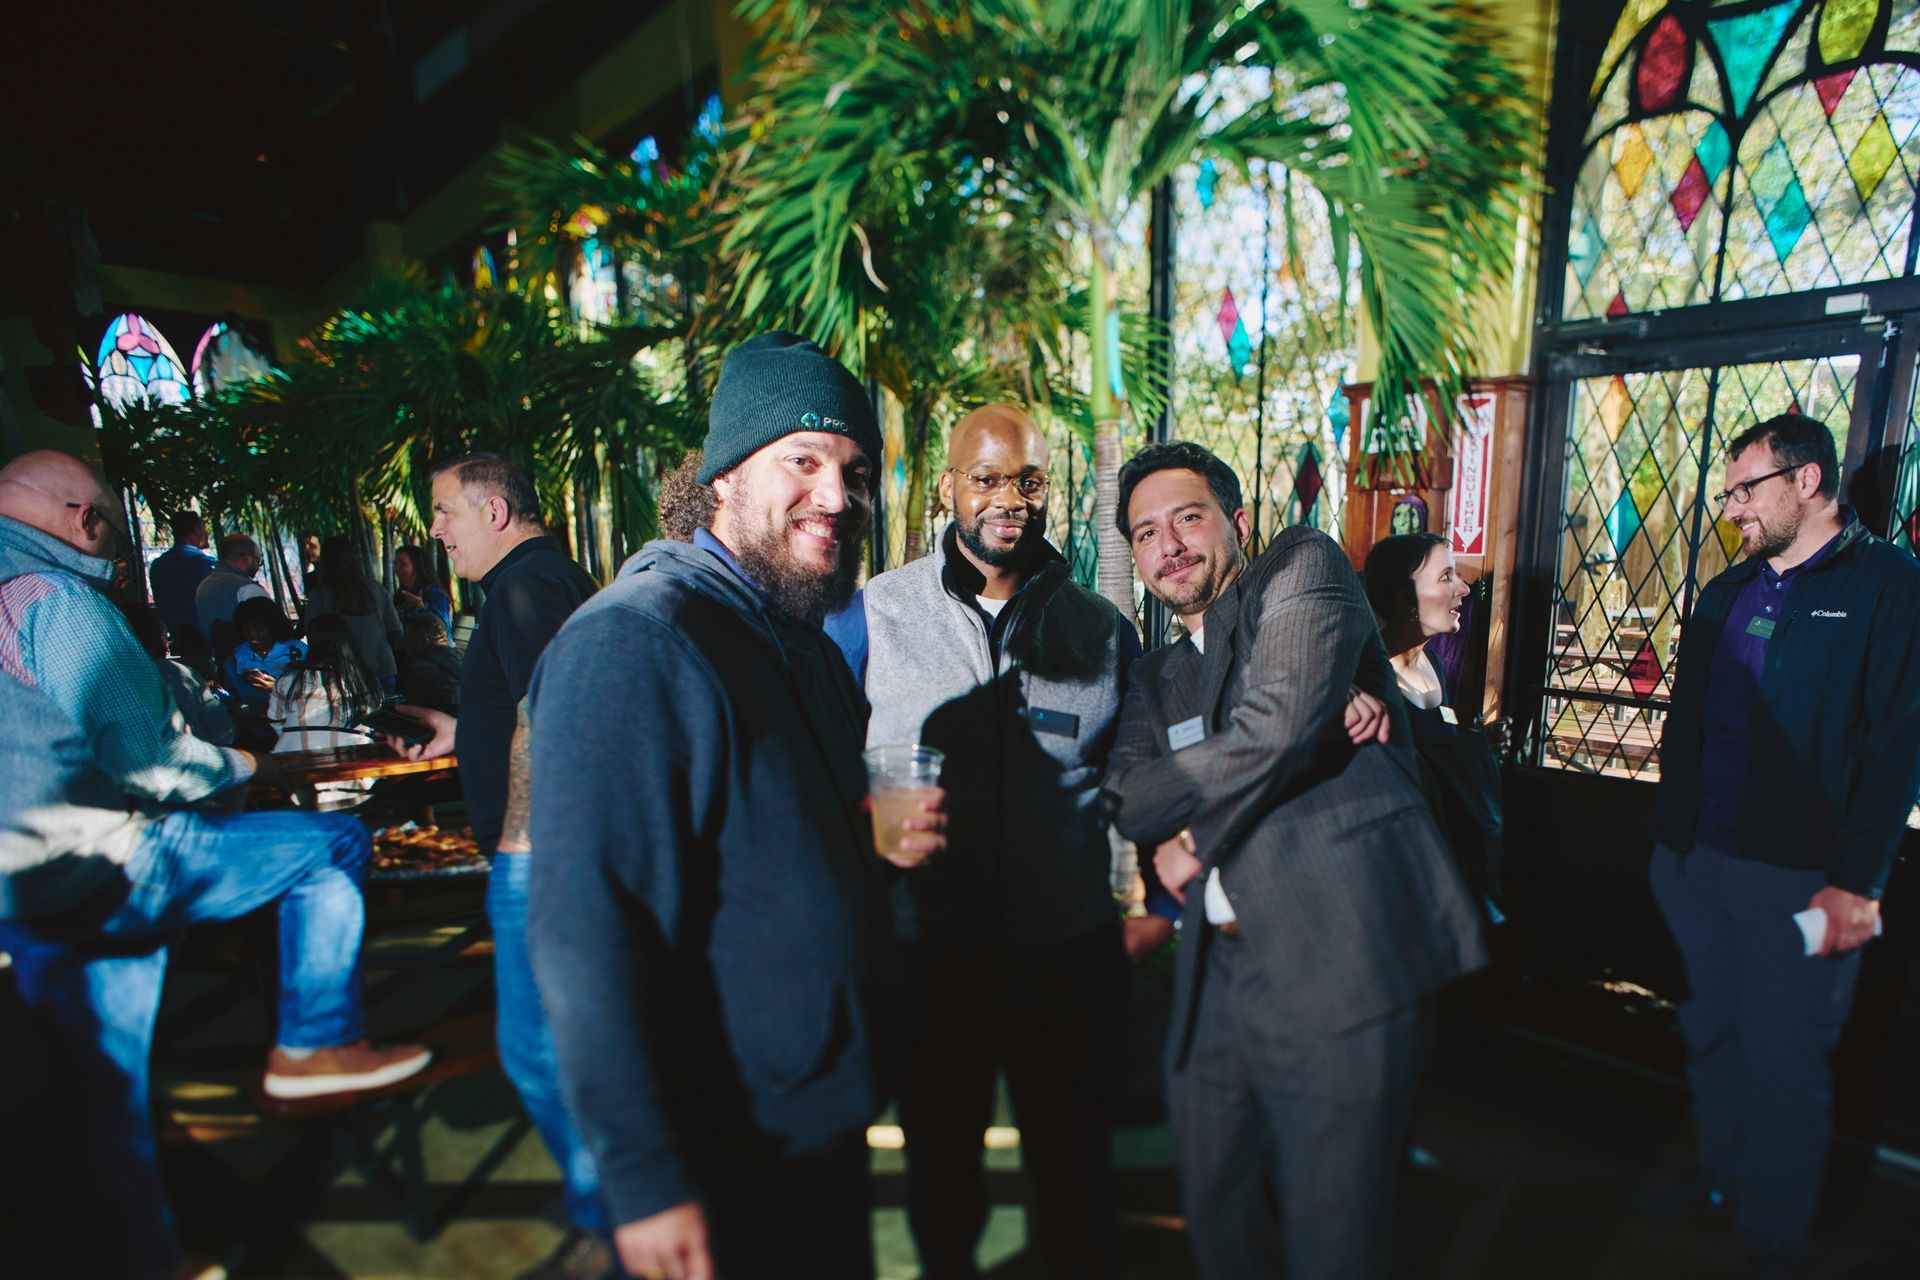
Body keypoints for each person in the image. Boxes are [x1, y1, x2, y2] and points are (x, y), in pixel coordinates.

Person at [525, 332, 947, 1280]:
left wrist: (864, 842)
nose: (837, 495)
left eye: (855, 471)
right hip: (723, 1147)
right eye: (802, 459)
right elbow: (588, 931)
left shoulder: (798, 642)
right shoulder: (637, 642)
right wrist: (645, 1179)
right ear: (722, 477)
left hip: (812, 1122)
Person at [0, 450, 430, 1280]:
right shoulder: (58, 602)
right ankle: (313, 1045)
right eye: (114, 527)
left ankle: (147, 1259)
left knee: (104, 1096)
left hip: (26, 891)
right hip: (113, 862)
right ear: (85, 521)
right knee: (331, 846)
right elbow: (153, 764)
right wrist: (251, 767)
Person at [1099, 442, 1486, 1280]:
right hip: (1217, 979)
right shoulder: (1155, 675)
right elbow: (1129, 799)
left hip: (1340, 953)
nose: (1169, 544)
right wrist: (1300, 720)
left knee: (1334, 1236)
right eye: (1146, 532)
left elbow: (1274, 725)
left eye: (1188, 517)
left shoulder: (1300, 567)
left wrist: (1197, 834)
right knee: (1218, 1212)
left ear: (1237, 523)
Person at [836, 403, 1135, 1278]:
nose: (1010, 498)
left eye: (1029, 480)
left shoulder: (1101, 630)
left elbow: (1135, 776)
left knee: (1077, 1181)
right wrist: (861, 821)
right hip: (929, 958)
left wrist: (1144, 901)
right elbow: (817, 761)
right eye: (987, 478)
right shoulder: (872, 616)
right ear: (947, 488)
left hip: (1064, 956)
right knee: (942, 1183)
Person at [1643, 412, 1920, 1277]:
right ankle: (1719, 1179)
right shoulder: (1729, 589)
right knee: (1711, 1035)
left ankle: (1775, 1230)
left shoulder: (1889, 586)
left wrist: (1857, 884)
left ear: (1807, 481)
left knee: (1787, 1055)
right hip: (1698, 864)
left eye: (1745, 490)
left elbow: (1898, 749)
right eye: (1727, 493)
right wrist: (1671, 845)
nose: (1732, 508)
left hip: (1807, 879)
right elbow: (1689, 721)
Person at [384, 452, 607, 1280]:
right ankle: (604, 1202)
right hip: (548, 850)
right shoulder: (543, 580)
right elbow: (527, 703)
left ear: (496, 511)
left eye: (444, 512)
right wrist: (464, 730)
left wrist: (525, 857)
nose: (436, 531)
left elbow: (563, 717)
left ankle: (611, 1219)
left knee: (540, 1054)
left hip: (540, 856)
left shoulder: (523, 589)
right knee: (553, 1049)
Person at [1363, 532, 1508, 909]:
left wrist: (1479, 743)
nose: (1464, 589)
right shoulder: (1369, 681)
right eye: (1446, 577)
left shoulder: (1437, 666)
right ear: (1406, 600)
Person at [125, 601, 234, 747]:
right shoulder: (179, 674)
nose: (167, 642)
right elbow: (223, 734)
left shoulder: (109, 681)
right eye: (165, 635)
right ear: (158, 636)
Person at [271, 613, 385, 752]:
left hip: (296, 756)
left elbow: (276, 721)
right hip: (355, 757)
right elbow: (374, 720)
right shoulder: (365, 679)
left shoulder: (288, 678)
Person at [306, 536, 404, 694]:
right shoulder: (376, 589)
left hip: (341, 674)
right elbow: (396, 630)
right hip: (382, 667)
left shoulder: (319, 596)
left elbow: (313, 637)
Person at [147, 509, 216, 673]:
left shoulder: (158, 566)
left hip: (177, 645)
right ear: (196, 530)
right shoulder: (205, 564)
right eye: (204, 528)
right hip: (207, 645)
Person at [224, 595, 306, 714]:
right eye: (247, 629)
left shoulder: (299, 651)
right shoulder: (236, 658)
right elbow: (231, 696)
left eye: (259, 629)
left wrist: (276, 689)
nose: (252, 635)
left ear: (273, 627)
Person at [193, 530, 268, 657]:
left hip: (219, 660)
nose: (258, 565)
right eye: (257, 559)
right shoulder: (248, 589)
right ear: (246, 559)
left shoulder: (203, 586)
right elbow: (271, 633)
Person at [397, 612, 462, 714]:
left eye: (410, 641)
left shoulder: (417, 667)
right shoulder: (466, 656)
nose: (408, 648)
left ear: (424, 639)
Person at [394, 542, 453, 632]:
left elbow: (443, 629)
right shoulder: (402, 595)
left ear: (418, 567)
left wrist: (422, 609)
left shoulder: (434, 594)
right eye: (395, 564)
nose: (397, 569)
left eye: (403, 564)